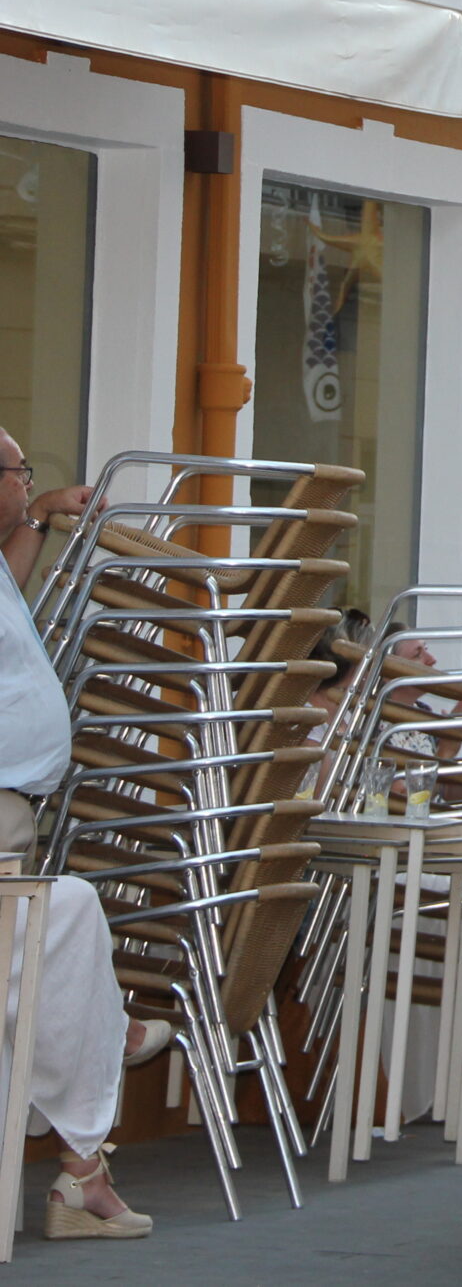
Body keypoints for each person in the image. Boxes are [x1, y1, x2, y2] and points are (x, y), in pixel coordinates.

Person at [0, 429, 167, 1239]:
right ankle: (83, 1167)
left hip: (15, 812)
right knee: (60, 926)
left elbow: (12, 581)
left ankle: (83, 1169)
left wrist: (34, 513)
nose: (30, 481)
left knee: (59, 926)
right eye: (19, 471)